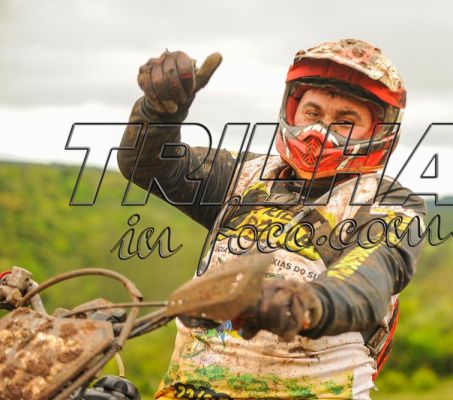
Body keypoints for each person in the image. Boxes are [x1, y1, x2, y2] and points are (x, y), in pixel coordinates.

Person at [117, 38, 427, 400]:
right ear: (292, 111)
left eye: (345, 121)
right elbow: (148, 165)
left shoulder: (391, 205)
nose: (320, 130)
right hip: (187, 390)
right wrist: (158, 112)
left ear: (379, 131)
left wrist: (302, 301)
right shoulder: (243, 175)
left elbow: (367, 283)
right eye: (312, 113)